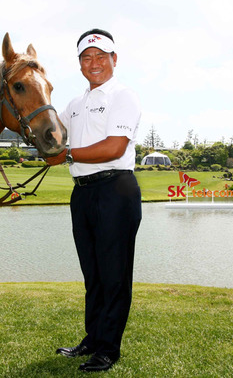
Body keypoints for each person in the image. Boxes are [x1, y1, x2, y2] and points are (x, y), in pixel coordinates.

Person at [46, 28, 142, 372]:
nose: (94, 63)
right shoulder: (74, 104)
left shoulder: (123, 96)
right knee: (94, 273)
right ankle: (93, 337)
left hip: (116, 190)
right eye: (87, 58)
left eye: (101, 56)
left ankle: (109, 349)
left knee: (114, 273)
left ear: (114, 59)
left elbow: (114, 147)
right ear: (80, 64)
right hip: (83, 194)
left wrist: (66, 153)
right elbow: (50, 134)